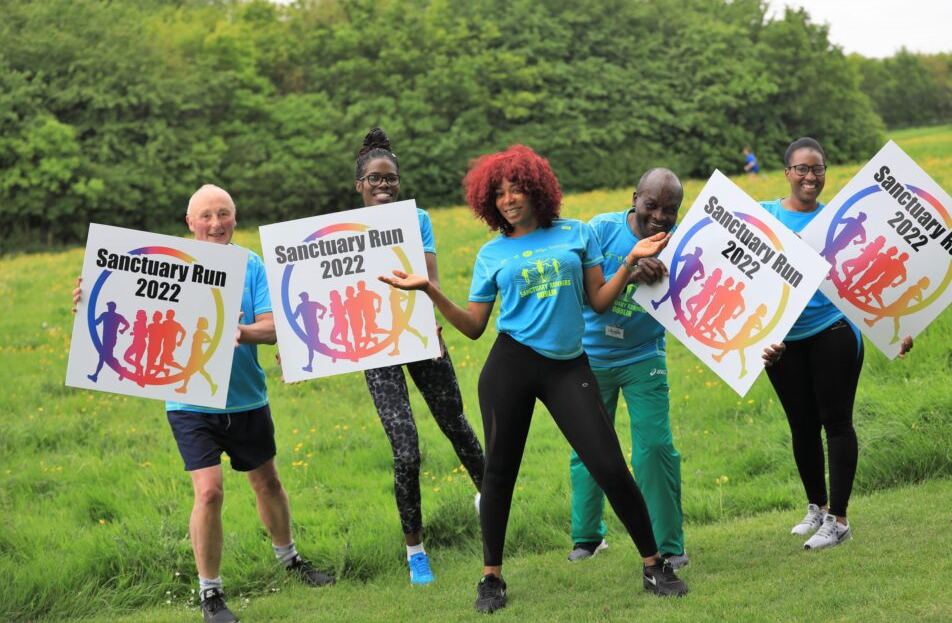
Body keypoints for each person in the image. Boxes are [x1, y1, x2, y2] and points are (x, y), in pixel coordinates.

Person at [380, 145, 689, 613]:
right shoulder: (491, 254)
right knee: (498, 474)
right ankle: (491, 578)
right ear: (490, 200)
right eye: (499, 193)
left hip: (569, 366)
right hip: (512, 366)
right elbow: (473, 326)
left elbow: (599, 302)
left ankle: (653, 566)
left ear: (537, 190)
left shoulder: (575, 233)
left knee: (609, 466)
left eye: (517, 189)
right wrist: (427, 290)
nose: (508, 200)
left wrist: (628, 264)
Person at [74, 184, 333, 623]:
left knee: (267, 483)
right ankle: (210, 593)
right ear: (189, 222)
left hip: (246, 397)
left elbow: (272, 328)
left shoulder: (251, 266)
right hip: (188, 400)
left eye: (224, 214)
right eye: (206, 216)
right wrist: (88, 297)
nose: (216, 224)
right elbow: (117, 296)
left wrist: (241, 332)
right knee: (209, 491)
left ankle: (289, 560)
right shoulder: (162, 265)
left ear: (235, 217)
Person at [761, 138, 913, 550]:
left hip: (833, 331)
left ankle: (840, 520)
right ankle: (818, 507)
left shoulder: (836, 221)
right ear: (787, 172)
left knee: (836, 423)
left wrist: (899, 327)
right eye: (802, 169)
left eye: (818, 169)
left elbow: (872, 274)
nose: (811, 177)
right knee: (802, 427)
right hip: (783, 345)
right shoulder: (765, 218)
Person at [352, 127, 485, 585]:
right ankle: (416, 552)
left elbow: (428, 278)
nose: (384, 185)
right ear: (359, 186)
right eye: (375, 179)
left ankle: (494, 509)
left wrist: (435, 328)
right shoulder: (340, 231)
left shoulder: (418, 219)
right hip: (377, 348)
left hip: (419, 337)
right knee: (406, 450)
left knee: (457, 425)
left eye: (391, 178)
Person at [567, 168, 689, 567]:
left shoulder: (680, 244)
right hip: (592, 354)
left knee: (654, 448)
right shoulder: (600, 230)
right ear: (635, 197)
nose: (659, 216)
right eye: (652, 205)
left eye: (670, 210)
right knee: (589, 448)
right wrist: (633, 274)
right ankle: (587, 537)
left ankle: (669, 545)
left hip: (642, 355)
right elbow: (585, 294)